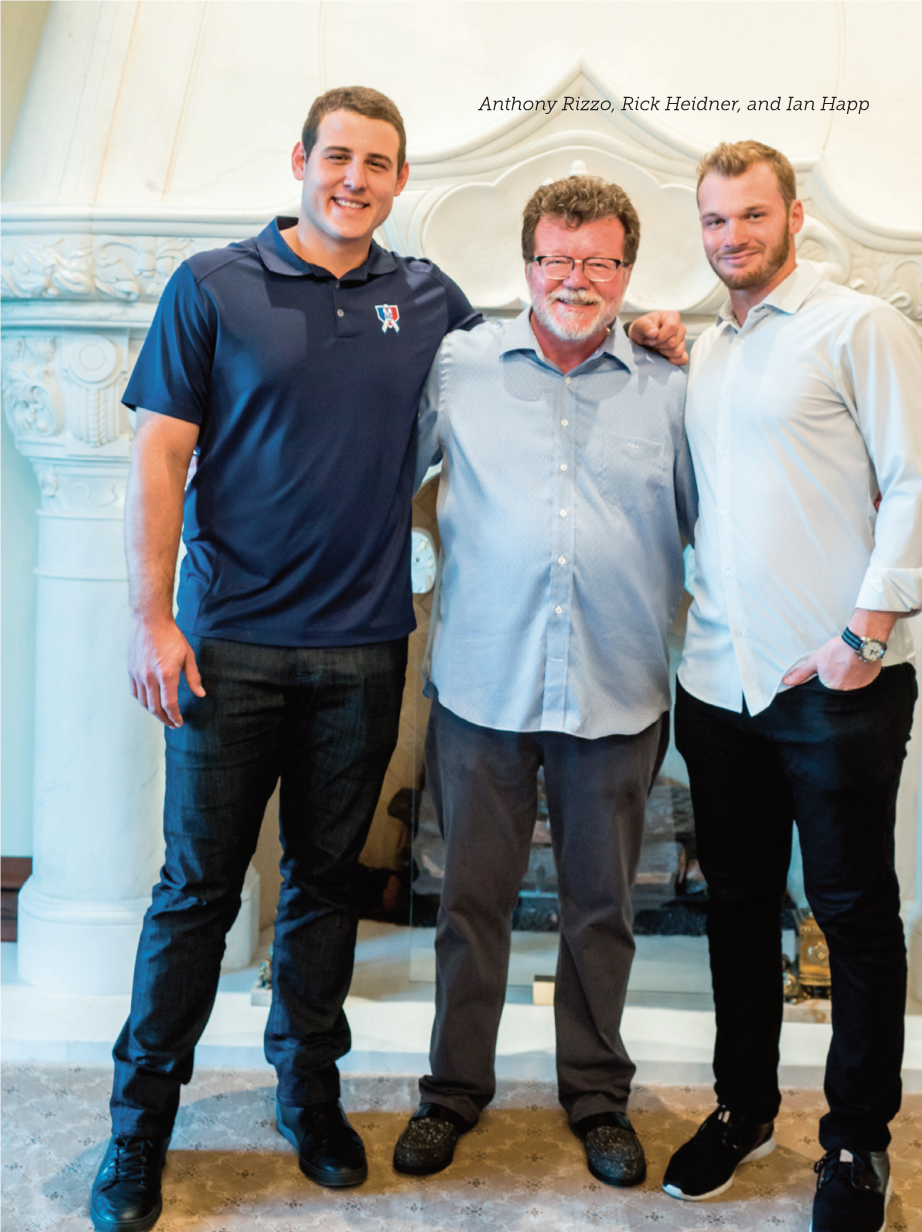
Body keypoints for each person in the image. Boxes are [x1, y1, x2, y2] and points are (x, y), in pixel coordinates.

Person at [89, 87, 685, 1232]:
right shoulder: (213, 285)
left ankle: (309, 1099)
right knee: (196, 895)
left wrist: (654, 322)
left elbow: (561, 313)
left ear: (402, 181)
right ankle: (137, 1128)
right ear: (301, 159)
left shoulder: (432, 306)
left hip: (366, 652)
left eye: (378, 162)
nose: (355, 178)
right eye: (339, 156)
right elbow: (160, 457)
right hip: (228, 647)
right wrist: (149, 616)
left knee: (323, 893)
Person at [660, 141, 922, 1232]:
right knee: (734, 909)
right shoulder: (711, 352)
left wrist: (859, 636)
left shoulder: (859, 325)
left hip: (836, 684)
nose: (732, 237)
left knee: (853, 915)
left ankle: (857, 1142)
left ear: (794, 214)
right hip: (719, 683)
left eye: (750, 216)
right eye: (715, 221)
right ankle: (742, 1109)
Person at [391, 175, 697, 1189]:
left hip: (617, 686)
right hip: (483, 680)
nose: (578, 278)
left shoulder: (672, 380)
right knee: (468, 900)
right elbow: (381, 480)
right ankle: (451, 1091)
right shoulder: (458, 366)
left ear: (627, 270)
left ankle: (596, 1094)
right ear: (527, 264)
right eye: (558, 258)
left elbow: (718, 516)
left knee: (602, 906)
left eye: (601, 260)